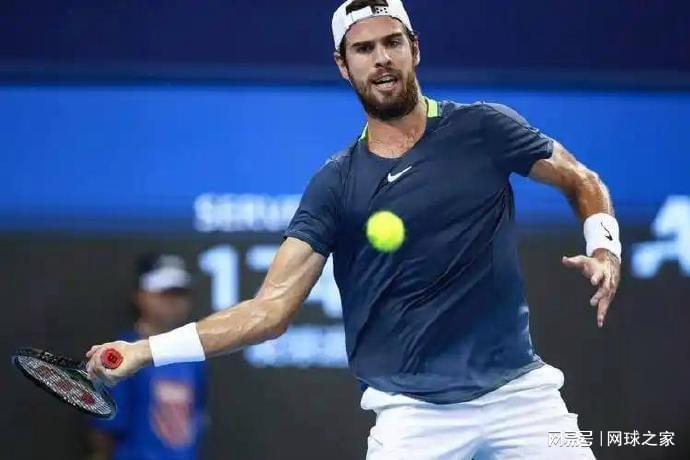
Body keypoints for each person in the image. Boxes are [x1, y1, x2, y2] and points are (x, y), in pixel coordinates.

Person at [86, 1, 620, 458]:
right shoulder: (336, 185)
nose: (381, 58)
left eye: (392, 42)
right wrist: (144, 352)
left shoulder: (485, 128)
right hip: (413, 416)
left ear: (414, 48)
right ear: (344, 66)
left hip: (521, 397)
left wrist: (604, 249)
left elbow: (581, 180)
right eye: (364, 49)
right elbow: (267, 312)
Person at [90, 254, 206, 460]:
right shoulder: (119, 354)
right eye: (164, 292)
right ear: (140, 295)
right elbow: (106, 429)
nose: (173, 301)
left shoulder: (195, 357)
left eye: (179, 293)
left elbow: (195, 419)